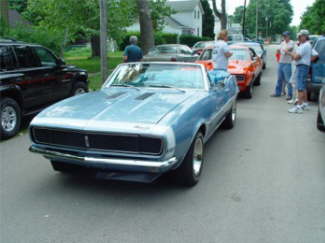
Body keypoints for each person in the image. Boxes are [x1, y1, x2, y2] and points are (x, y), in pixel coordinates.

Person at [285, 29, 318, 113]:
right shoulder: (304, 45)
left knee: (299, 87)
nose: (299, 37)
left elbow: (297, 57)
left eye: (300, 36)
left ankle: (299, 106)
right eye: (299, 36)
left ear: (305, 36)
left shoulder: (305, 45)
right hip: (302, 66)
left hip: (302, 67)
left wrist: (288, 53)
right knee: (302, 86)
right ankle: (304, 103)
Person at [270, 31, 294, 100]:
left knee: (288, 79)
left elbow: (287, 50)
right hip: (281, 62)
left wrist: (283, 51)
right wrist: (282, 51)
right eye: (284, 36)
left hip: (287, 63)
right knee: (279, 78)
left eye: (286, 36)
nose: (285, 37)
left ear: (289, 36)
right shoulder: (282, 43)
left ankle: (290, 94)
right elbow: (278, 50)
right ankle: (277, 92)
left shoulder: (291, 43)